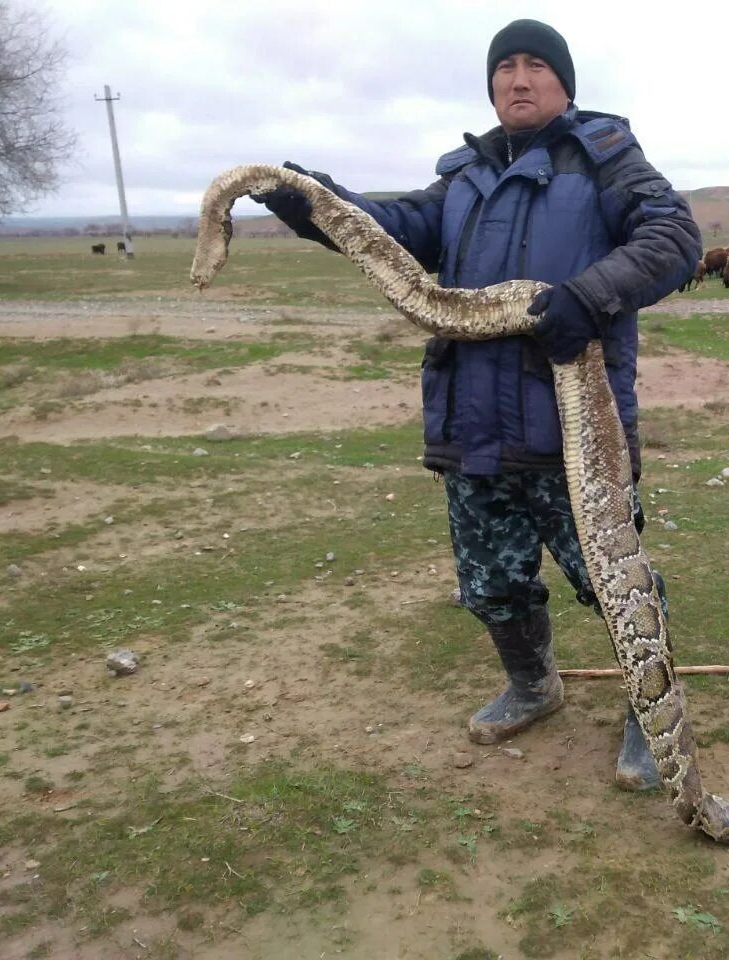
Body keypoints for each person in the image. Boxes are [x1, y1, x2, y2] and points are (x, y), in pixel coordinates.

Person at [254, 19, 701, 790]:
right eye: (505, 69)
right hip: (475, 426)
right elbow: (393, 232)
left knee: (614, 583)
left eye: (535, 67)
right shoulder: (462, 178)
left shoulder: (607, 160)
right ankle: (534, 685)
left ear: (564, 85)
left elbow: (674, 236)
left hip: (574, 432)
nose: (518, 80)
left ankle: (646, 707)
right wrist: (318, 203)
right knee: (490, 581)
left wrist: (587, 297)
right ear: (491, 86)